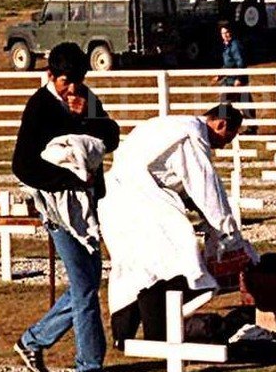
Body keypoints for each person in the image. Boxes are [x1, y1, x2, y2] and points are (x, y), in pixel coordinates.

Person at [12, 42, 125, 372]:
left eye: (77, 81)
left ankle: (32, 342)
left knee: (86, 284)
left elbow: (112, 137)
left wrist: (85, 117)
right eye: (65, 82)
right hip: (56, 207)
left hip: (86, 205)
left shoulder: (85, 98)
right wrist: (69, 179)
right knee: (85, 286)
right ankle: (89, 367)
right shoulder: (39, 107)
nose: (72, 89)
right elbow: (23, 166)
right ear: (50, 76)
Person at [102, 104, 257, 343]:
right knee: (179, 261)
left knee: (139, 269)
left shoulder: (169, 124)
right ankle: (160, 333)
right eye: (228, 136)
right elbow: (206, 189)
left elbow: (171, 177)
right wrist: (228, 233)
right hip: (140, 201)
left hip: (116, 200)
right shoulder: (190, 135)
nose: (225, 144)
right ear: (221, 123)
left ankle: (125, 335)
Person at [217, 22, 255, 128]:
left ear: (231, 32)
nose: (225, 35)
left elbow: (240, 62)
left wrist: (239, 78)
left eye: (227, 32)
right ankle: (250, 127)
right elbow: (229, 64)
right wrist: (220, 75)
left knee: (228, 102)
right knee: (243, 102)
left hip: (235, 80)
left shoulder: (235, 46)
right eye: (223, 33)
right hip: (230, 79)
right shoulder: (227, 46)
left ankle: (227, 127)